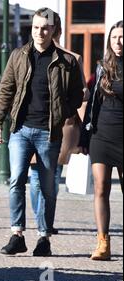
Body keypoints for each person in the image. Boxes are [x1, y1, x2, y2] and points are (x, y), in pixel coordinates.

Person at [0, 8, 84, 256]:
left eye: (44, 28)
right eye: (35, 27)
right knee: (16, 180)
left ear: (53, 29)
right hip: (20, 129)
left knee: (47, 186)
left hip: (48, 132)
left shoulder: (67, 61)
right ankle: (17, 234)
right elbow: (6, 91)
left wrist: (61, 111)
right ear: (31, 28)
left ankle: (44, 238)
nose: (39, 32)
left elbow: (77, 95)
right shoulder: (18, 56)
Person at [28, 10, 90, 235]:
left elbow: (83, 92)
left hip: (62, 124)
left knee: (47, 175)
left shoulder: (72, 58)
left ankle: (44, 220)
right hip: (38, 122)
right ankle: (42, 220)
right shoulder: (29, 55)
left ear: (56, 29)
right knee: (41, 175)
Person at [80, 20, 123, 261]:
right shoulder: (101, 67)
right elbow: (92, 105)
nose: (119, 42)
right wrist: (85, 136)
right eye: (115, 37)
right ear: (109, 41)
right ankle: (103, 242)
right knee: (100, 188)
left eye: (123, 37)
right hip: (101, 135)